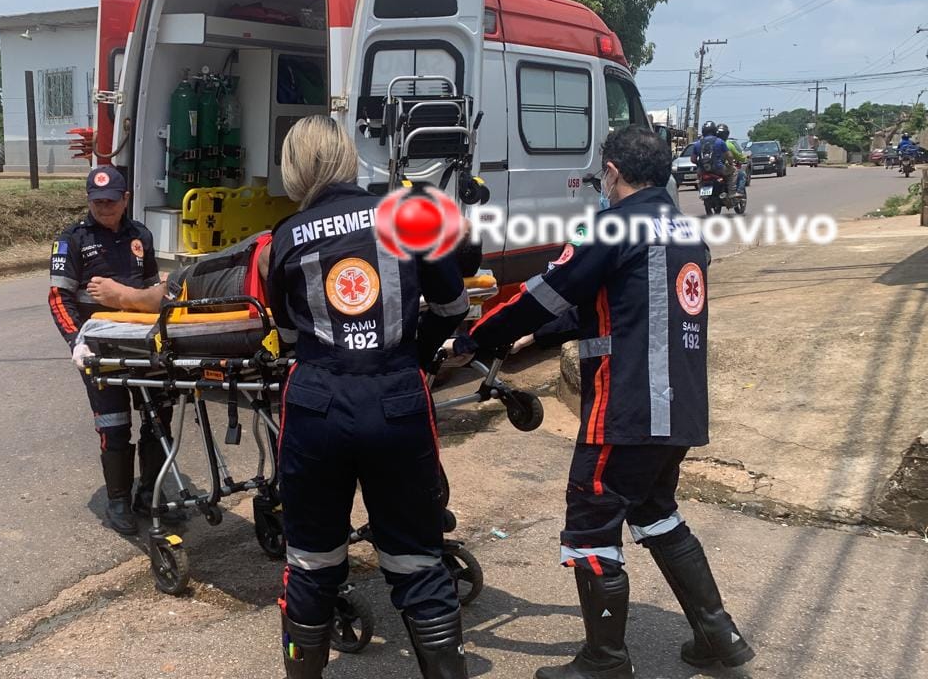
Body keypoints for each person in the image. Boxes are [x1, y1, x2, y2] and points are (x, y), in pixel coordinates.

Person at [451, 125, 754, 679]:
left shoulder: (615, 226)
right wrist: (538, 339)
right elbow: (616, 307)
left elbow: (544, 293)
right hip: (677, 411)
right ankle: (718, 634)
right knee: (656, 512)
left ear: (612, 172)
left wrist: (478, 336)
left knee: (590, 521)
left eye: (600, 176)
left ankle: (606, 660)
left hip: (628, 409)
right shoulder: (684, 230)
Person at [267, 115, 471, 679]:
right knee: (417, 561)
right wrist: (412, 354)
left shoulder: (285, 237)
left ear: (297, 168)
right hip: (397, 401)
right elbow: (454, 310)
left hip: (316, 406)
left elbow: (288, 338)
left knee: (311, 562)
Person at [48, 166, 175, 535]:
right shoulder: (71, 240)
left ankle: (150, 495)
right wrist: (77, 341)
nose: (103, 207)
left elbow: (154, 293)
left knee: (158, 419)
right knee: (114, 424)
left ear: (125, 199)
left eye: (110, 200)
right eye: (96, 201)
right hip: (100, 349)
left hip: (142, 343)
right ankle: (118, 500)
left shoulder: (141, 237)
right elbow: (59, 298)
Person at [715, 124, 746, 198]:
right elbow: (736, 157)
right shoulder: (728, 144)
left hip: (711, 168)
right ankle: (736, 192)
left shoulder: (711, 142)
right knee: (741, 174)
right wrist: (744, 158)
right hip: (722, 168)